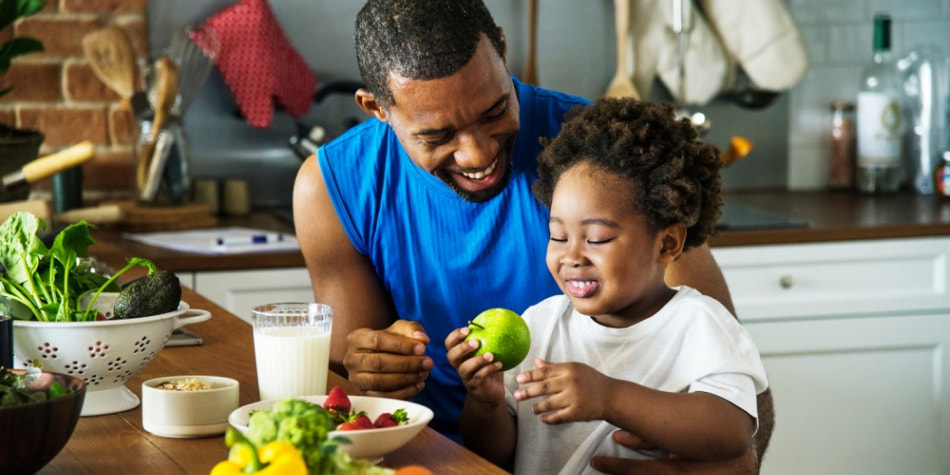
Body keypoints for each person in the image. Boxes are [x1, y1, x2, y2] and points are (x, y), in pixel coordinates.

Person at [292, 0, 774, 472]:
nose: (477, 153)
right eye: (438, 136)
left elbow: (737, 402)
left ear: (502, 48)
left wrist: (734, 467)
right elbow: (348, 396)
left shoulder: (605, 162)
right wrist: (371, 364)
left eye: (495, 109)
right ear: (376, 107)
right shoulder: (334, 186)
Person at [445, 98, 769, 474]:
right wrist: (484, 403)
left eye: (596, 239)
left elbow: (731, 432)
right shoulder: (540, 325)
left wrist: (609, 397)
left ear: (666, 244)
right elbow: (497, 455)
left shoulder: (699, 324)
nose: (572, 256)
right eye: (557, 236)